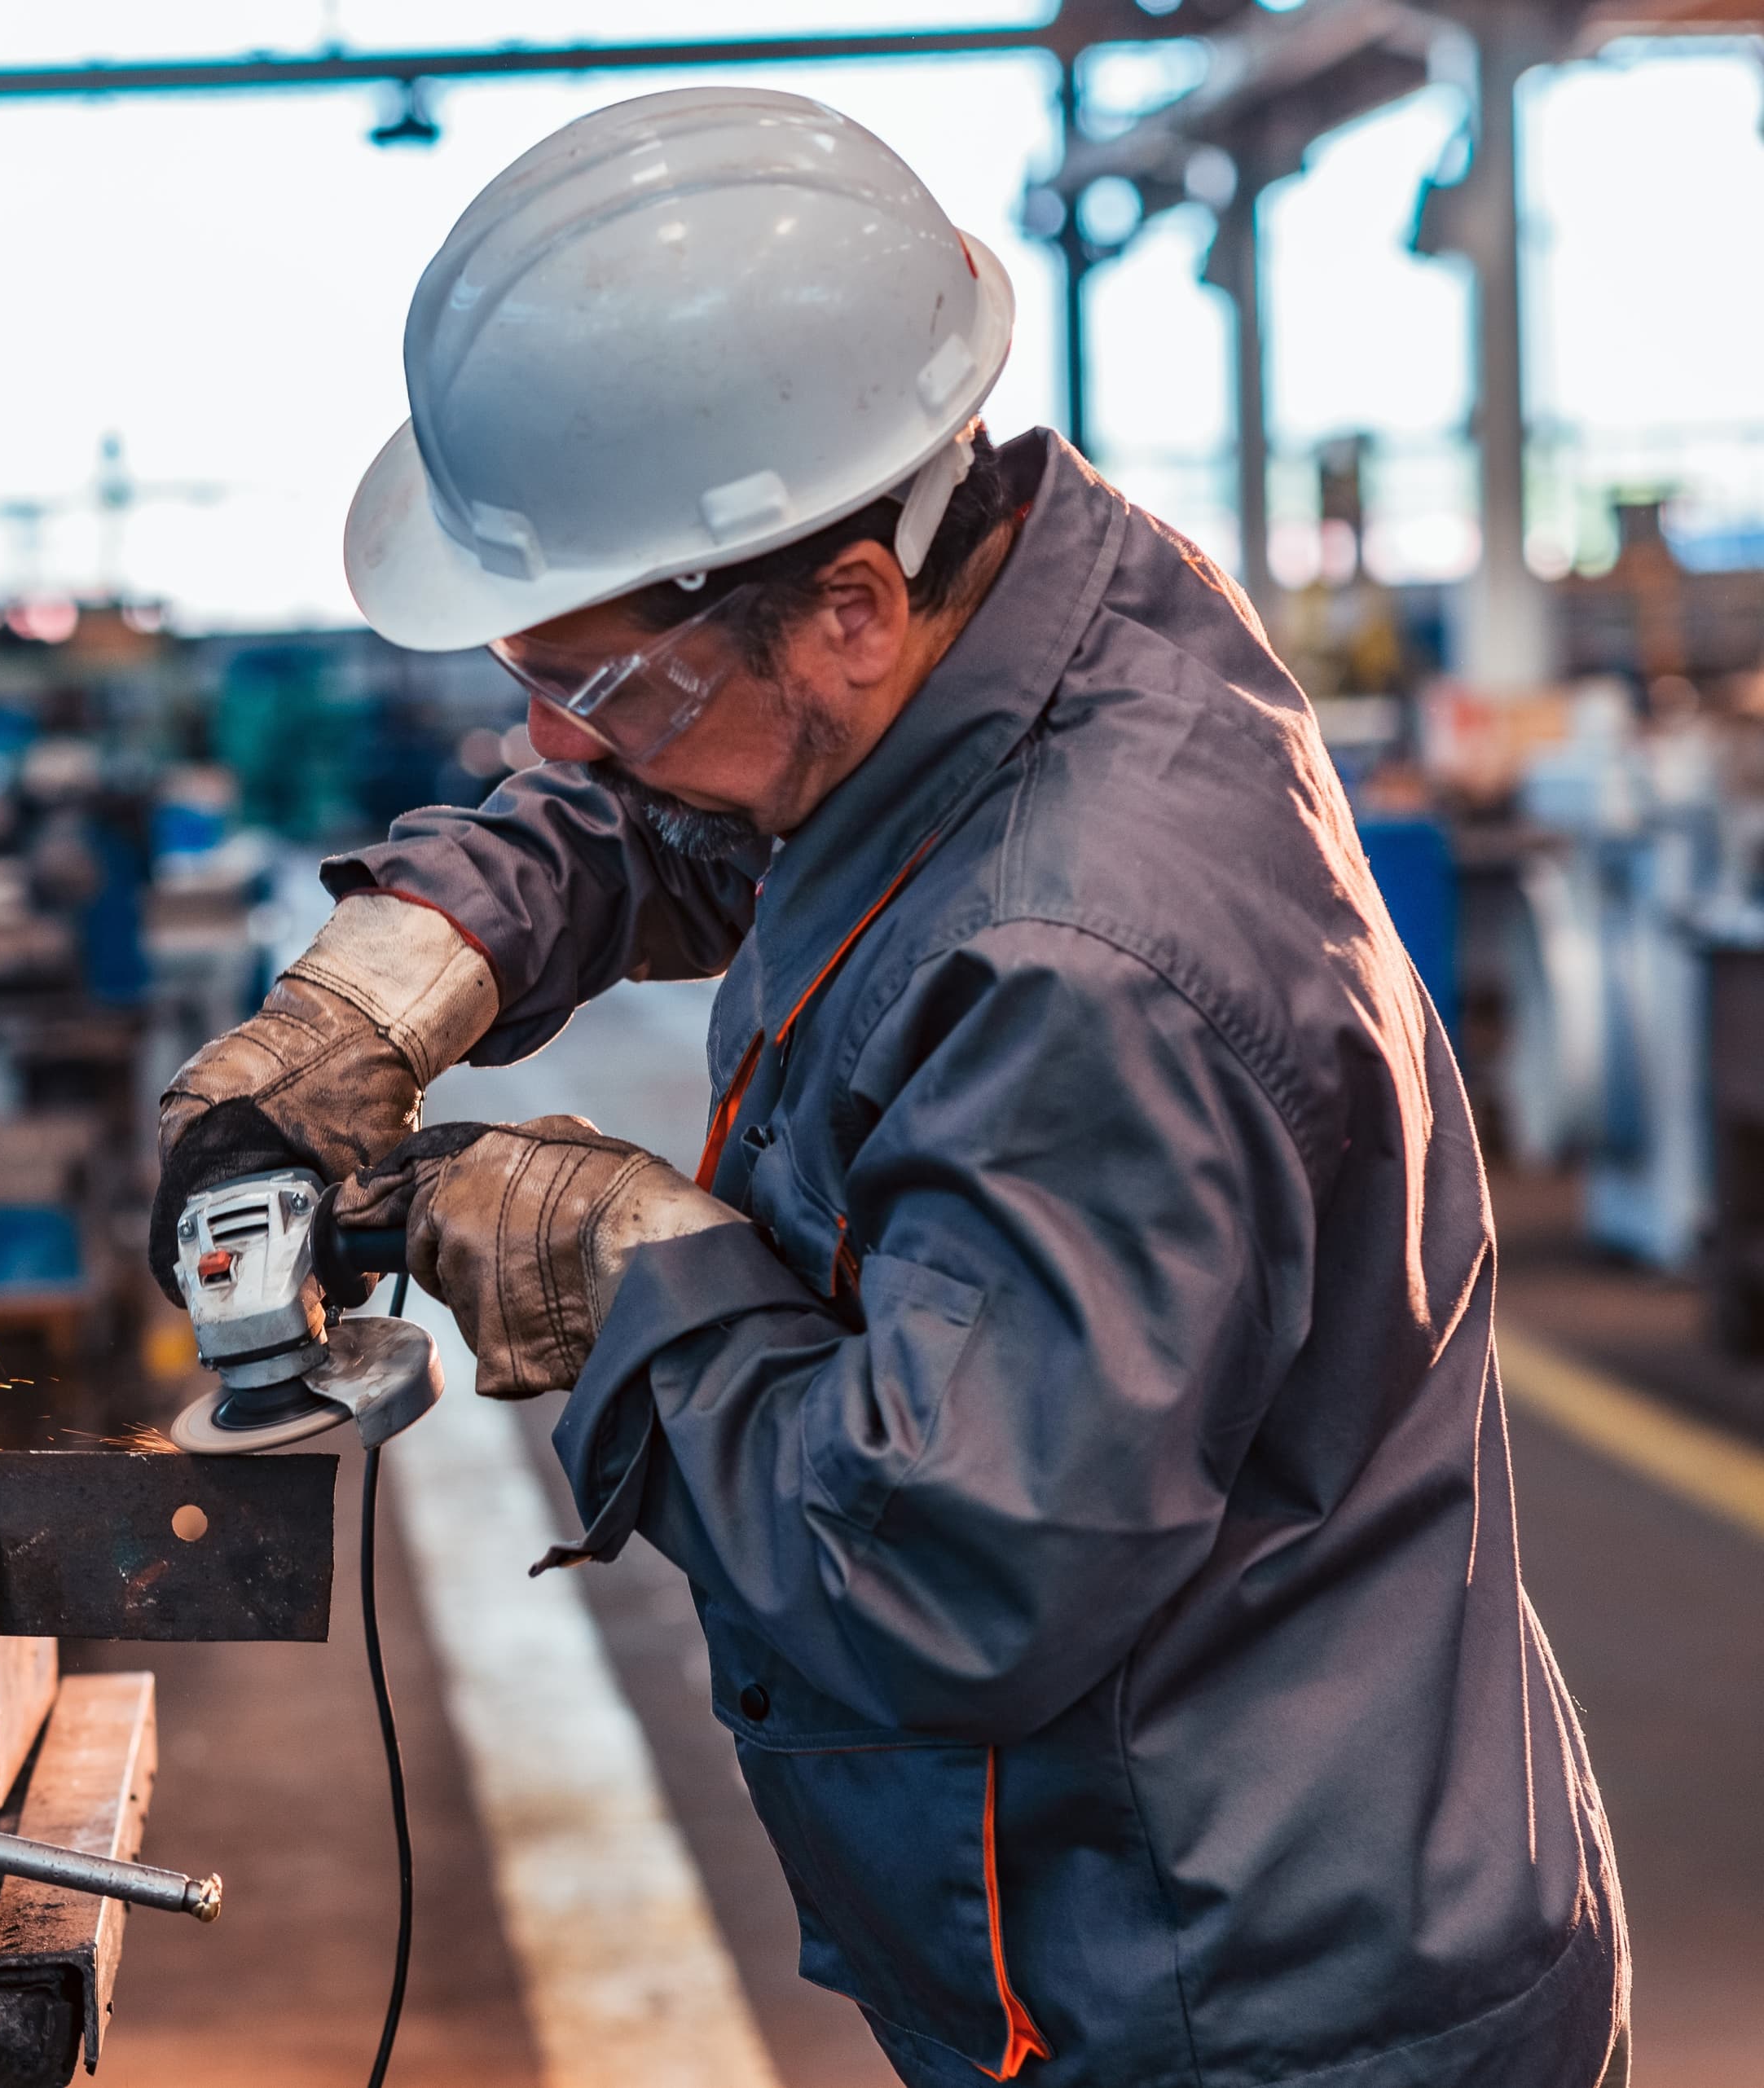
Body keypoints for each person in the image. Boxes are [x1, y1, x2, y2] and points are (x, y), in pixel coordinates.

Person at [153, 90, 1625, 2087]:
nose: (550, 738)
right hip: (1171, 1911)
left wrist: (620, 1267)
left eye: (596, 685)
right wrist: (391, 981)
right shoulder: (1001, 613)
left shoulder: (1091, 970)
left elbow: (932, 1569)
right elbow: (687, 809)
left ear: (847, 601)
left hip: (1240, 2000)